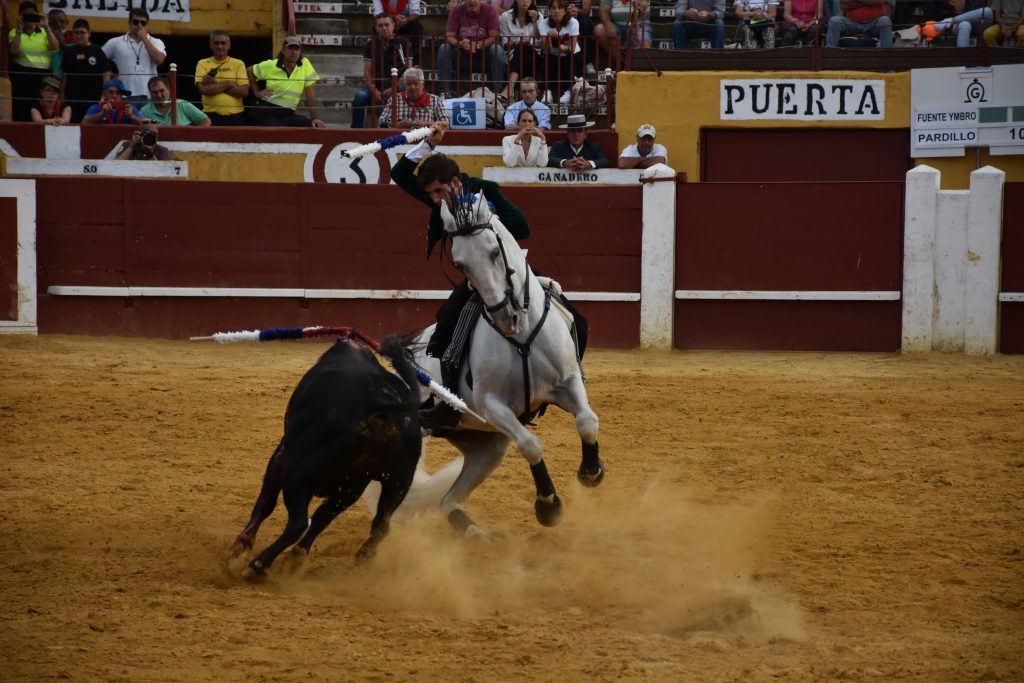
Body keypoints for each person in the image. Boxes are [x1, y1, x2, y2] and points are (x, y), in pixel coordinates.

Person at [391, 120, 531, 430]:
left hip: (509, 274)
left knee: (571, 316)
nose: (435, 200)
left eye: (438, 192)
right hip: (475, 283)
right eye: (430, 195)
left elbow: (523, 228)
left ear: (454, 183)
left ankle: (573, 373)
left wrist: (487, 223)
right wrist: (429, 144)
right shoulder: (440, 200)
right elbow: (399, 174)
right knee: (446, 322)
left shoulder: (485, 191)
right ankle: (449, 401)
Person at [248, 36, 327, 128]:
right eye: (290, 48)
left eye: (297, 49)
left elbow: (310, 94)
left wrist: (314, 118)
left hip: (288, 113)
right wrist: (256, 92)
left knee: (310, 126)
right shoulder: (272, 65)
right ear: (283, 50)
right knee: (274, 132)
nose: (294, 52)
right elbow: (249, 70)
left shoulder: (305, 64)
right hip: (268, 110)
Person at [353, 14, 412, 129]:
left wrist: (393, 88)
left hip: (397, 86)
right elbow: (366, 73)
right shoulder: (371, 44)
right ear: (376, 28)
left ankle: (402, 126)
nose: (384, 28)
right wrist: (374, 91)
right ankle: (356, 131)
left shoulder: (403, 43)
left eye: (387, 25)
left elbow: (408, 71)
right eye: (380, 26)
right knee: (360, 97)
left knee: (404, 89)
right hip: (377, 87)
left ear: (393, 25)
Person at [438, 0, 505, 97]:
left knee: (496, 49)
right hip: (463, 56)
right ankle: (444, 93)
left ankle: (497, 93)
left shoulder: (489, 10)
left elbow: (494, 37)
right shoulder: (456, 10)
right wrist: (461, 44)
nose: (472, 2)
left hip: (483, 57)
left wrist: (477, 45)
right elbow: (449, 36)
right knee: (444, 48)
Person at [101, 8, 167, 106]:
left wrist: (144, 38)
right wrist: (108, 74)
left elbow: (159, 60)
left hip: (149, 96)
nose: (139, 25)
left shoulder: (156, 42)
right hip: (125, 95)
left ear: (147, 25)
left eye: (143, 23)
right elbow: (99, 59)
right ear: (129, 23)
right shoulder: (115, 42)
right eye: (136, 22)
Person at [8, 1, 59, 121]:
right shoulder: (14, 32)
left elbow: (55, 47)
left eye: (32, 14)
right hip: (22, 75)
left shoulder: (44, 32)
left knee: (41, 104)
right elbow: (14, 51)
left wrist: (47, 26)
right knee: (22, 105)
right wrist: (19, 29)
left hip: (43, 75)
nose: (30, 17)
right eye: (26, 15)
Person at [194, 30, 250, 126]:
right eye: (216, 43)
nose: (220, 46)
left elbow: (244, 92)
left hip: (235, 118)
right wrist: (229, 84)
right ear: (211, 45)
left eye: (223, 43)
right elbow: (203, 90)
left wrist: (213, 84)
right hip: (210, 117)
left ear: (229, 45)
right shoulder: (202, 63)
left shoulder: (238, 63)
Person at [61, 19, 111, 123]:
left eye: (82, 32)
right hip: (73, 97)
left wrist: (104, 94)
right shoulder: (69, 51)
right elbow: (64, 74)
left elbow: (106, 73)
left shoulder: (97, 50)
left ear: (89, 33)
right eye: (76, 33)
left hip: (93, 97)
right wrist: (62, 94)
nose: (79, 35)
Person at [377, 67, 448, 128]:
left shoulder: (435, 100)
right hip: (400, 137)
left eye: (416, 83)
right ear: (405, 85)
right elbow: (381, 121)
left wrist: (426, 124)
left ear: (423, 84)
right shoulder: (394, 99)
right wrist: (397, 124)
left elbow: (446, 123)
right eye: (409, 84)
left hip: (426, 138)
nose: (412, 87)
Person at [539, 0, 582, 100]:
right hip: (553, 54)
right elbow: (547, 50)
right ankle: (547, 92)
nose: (556, 11)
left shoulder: (573, 22)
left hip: (571, 53)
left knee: (570, 59)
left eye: (560, 8)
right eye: (553, 8)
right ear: (549, 10)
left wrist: (565, 48)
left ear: (565, 10)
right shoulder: (544, 23)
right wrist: (548, 38)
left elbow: (572, 48)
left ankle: (568, 92)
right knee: (547, 59)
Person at [499, 0, 542, 97]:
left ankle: (510, 87)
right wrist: (516, 43)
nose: (525, 1)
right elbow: (505, 43)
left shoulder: (538, 16)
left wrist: (534, 21)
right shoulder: (505, 16)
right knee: (522, 49)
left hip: (535, 55)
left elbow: (540, 41)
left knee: (526, 48)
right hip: (513, 56)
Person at [594, 0, 652, 68]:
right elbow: (603, 9)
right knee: (599, 30)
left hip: (640, 25)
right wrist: (608, 24)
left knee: (644, 44)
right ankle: (623, 63)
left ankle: (636, 67)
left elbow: (644, 3)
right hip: (617, 26)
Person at [139, 76, 211, 126]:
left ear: (169, 90)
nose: (159, 95)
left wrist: (193, 138)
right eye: (154, 92)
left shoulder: (183, 104)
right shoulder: (144, 111)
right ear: (150, 93)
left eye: (162, 91)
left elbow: (205, 121)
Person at [918, 1, 993, 46]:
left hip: (980, 23)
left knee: (987, 10)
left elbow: (989, 7)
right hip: (961, 21)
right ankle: (962, 62)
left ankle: (950, 20)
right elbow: (959, 10)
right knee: (965, 25)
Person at [826, 0, 892, 47]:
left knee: (885, 21)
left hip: (874, 24)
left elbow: (880, 1)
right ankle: (830, 55)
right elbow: (843, 5)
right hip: (852, 23)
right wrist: (869, 2)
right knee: (834, 21)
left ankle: (887, 58)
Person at [46, 8, 68, 75]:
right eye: (54, 23)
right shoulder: (44, 39)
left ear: (67, 22)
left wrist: (63, 45)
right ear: (49, 25)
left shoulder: (76, 39)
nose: (59, 25)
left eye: (62, 22)